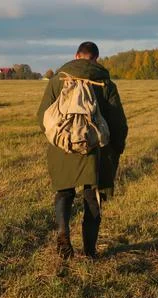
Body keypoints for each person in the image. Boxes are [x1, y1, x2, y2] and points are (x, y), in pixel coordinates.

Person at [37, 42, 128, 259]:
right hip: (94, 149)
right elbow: (117, 122)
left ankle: (63, 232)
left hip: (63, 146)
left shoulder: (57, 80)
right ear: (96, 58)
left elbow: (42, 116)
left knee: (64, 191)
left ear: (76, 56)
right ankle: (89, 251)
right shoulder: (105, 82)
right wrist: (117, 148)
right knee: (91, 196)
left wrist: (58, 139)